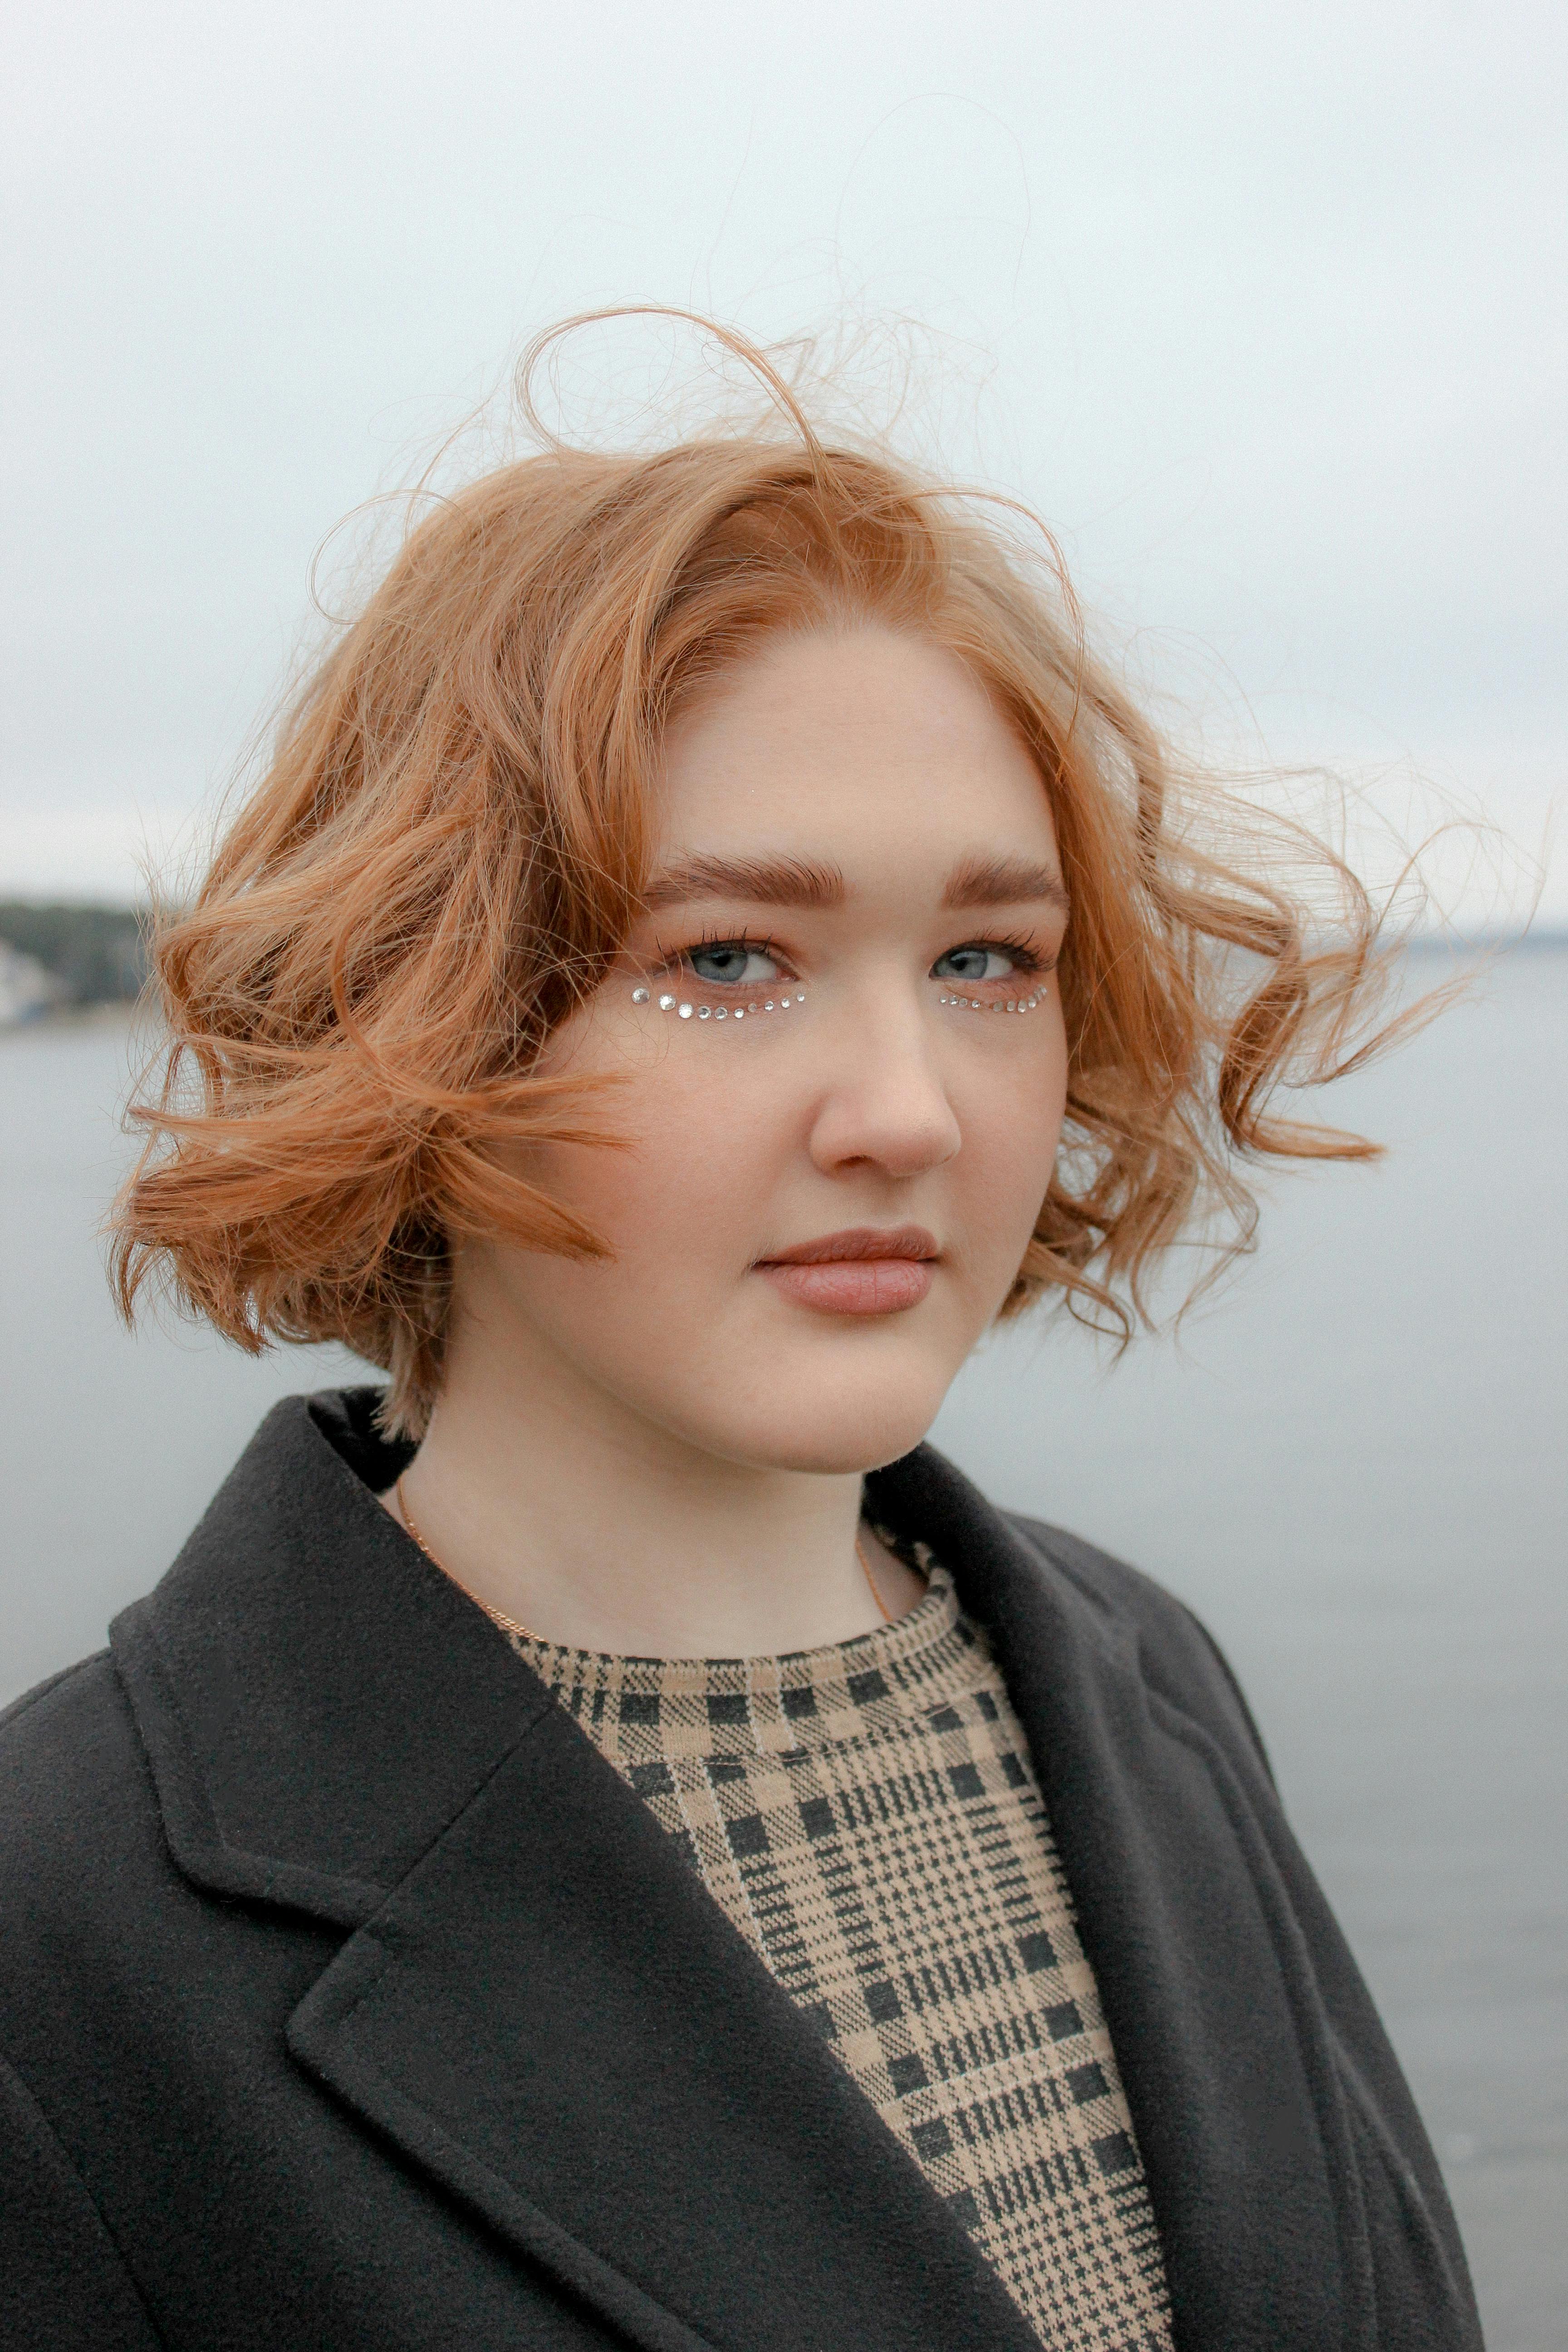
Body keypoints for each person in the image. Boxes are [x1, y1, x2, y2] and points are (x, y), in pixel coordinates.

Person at [0, 323, 1481, 2351]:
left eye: (986, 958)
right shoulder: (58, 1923)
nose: (908, 1108)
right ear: (418, 1010)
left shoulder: (1146, 1672)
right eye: (726, 960)